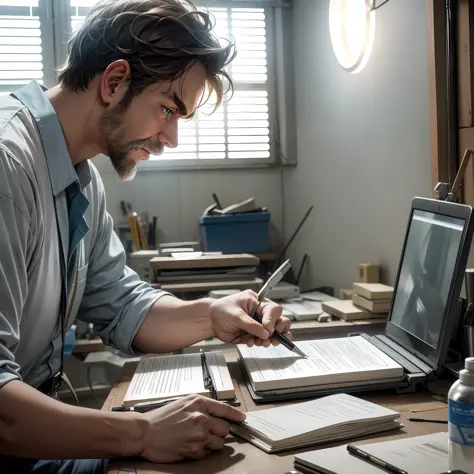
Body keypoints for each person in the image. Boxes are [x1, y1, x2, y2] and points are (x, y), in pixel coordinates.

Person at [0, 1, 292, 473]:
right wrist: (142, 432)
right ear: (114, 82)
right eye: (166, 110)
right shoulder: (7, 165)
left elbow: (119, 304)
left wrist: (213, 315)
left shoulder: (81, 179)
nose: (171, 137)